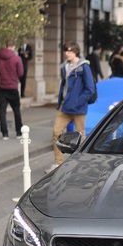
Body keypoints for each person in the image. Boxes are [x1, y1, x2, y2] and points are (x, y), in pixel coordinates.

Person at [45, 41, 95, 173]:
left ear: (76, 52)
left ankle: (81, 164)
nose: (67, 53)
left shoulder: (84, 67)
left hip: (78, 108)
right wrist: (61, 101)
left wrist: (78, 101)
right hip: (65, 107)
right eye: (66, 51)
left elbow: (90, 89)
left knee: (80, 137)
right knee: (56, 132)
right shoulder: (64, 67)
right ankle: (58, 163)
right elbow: (64, 87)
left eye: (70, 51)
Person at [0, 39, 24, 140]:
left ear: (6, 45)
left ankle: (4, 133)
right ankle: (19, 132)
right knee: (16, 110)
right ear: (14, 47)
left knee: (2, 110)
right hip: (13, 87)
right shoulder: (17, 59)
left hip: (1, 87)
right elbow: (21, 73)